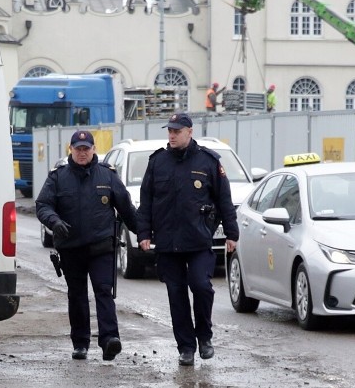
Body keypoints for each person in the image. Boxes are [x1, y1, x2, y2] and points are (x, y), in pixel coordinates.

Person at [136, 113, 238, 366]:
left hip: (198, 238)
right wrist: (144, 234)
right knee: (176, 293)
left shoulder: (208, 161)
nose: (171, 135)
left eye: (176, 131)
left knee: (201, 286)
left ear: (189, 132)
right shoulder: (157, 162)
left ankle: (204, 337)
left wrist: (231, 233)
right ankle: (186, 347)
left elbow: (224, 199)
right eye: (169, 131)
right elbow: (146, 201)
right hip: (168, 242)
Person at [36, 130, 138, 361]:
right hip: (71, 248)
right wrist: (55, 221)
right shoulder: (58, 177)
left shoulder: (107, 175)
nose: (82, 153)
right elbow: (42, 205)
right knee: (77, 295)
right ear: (71, 150)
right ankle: (80, 343)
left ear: (93, 150)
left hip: (101, 247)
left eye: (86, 148)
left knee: (104, 291)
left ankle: (110, 339)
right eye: (78, 148)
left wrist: (143, 234)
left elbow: (127, 209)